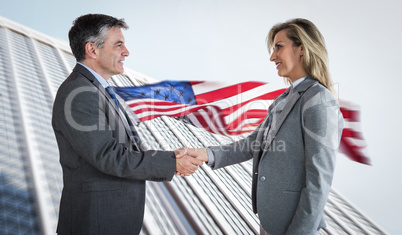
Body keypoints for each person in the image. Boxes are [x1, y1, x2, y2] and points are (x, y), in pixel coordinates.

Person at [178, 18, 344, 235]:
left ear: (301, 48)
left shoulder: (319, 100)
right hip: (271, 221)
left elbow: (319, 180)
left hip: (294, 226)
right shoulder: (283, 99)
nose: (272, 56)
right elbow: (252, 144)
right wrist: (205, 153)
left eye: (279, 47)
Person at [52, 14, 202, 235]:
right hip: (95, 223)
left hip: (111, 220)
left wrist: (173, 159)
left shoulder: (97, 91)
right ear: (92, 50)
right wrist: (172, 162)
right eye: (118, 44)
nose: (126, 52)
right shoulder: (79, 93)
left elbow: (125, 151)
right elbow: (109, 156)